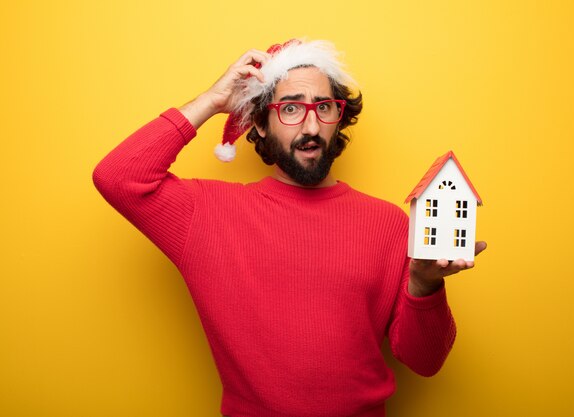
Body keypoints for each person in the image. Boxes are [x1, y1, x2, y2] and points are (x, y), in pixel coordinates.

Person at [93, 39, 486, 417]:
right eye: (291, 109)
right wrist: (212, 101)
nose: (311, 127)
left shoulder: (389, 224)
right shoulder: (206, 214)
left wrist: (424, 284)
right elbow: (117, 177)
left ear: (339, 118)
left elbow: (426, 361)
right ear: (260, 124)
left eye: (324, 108)